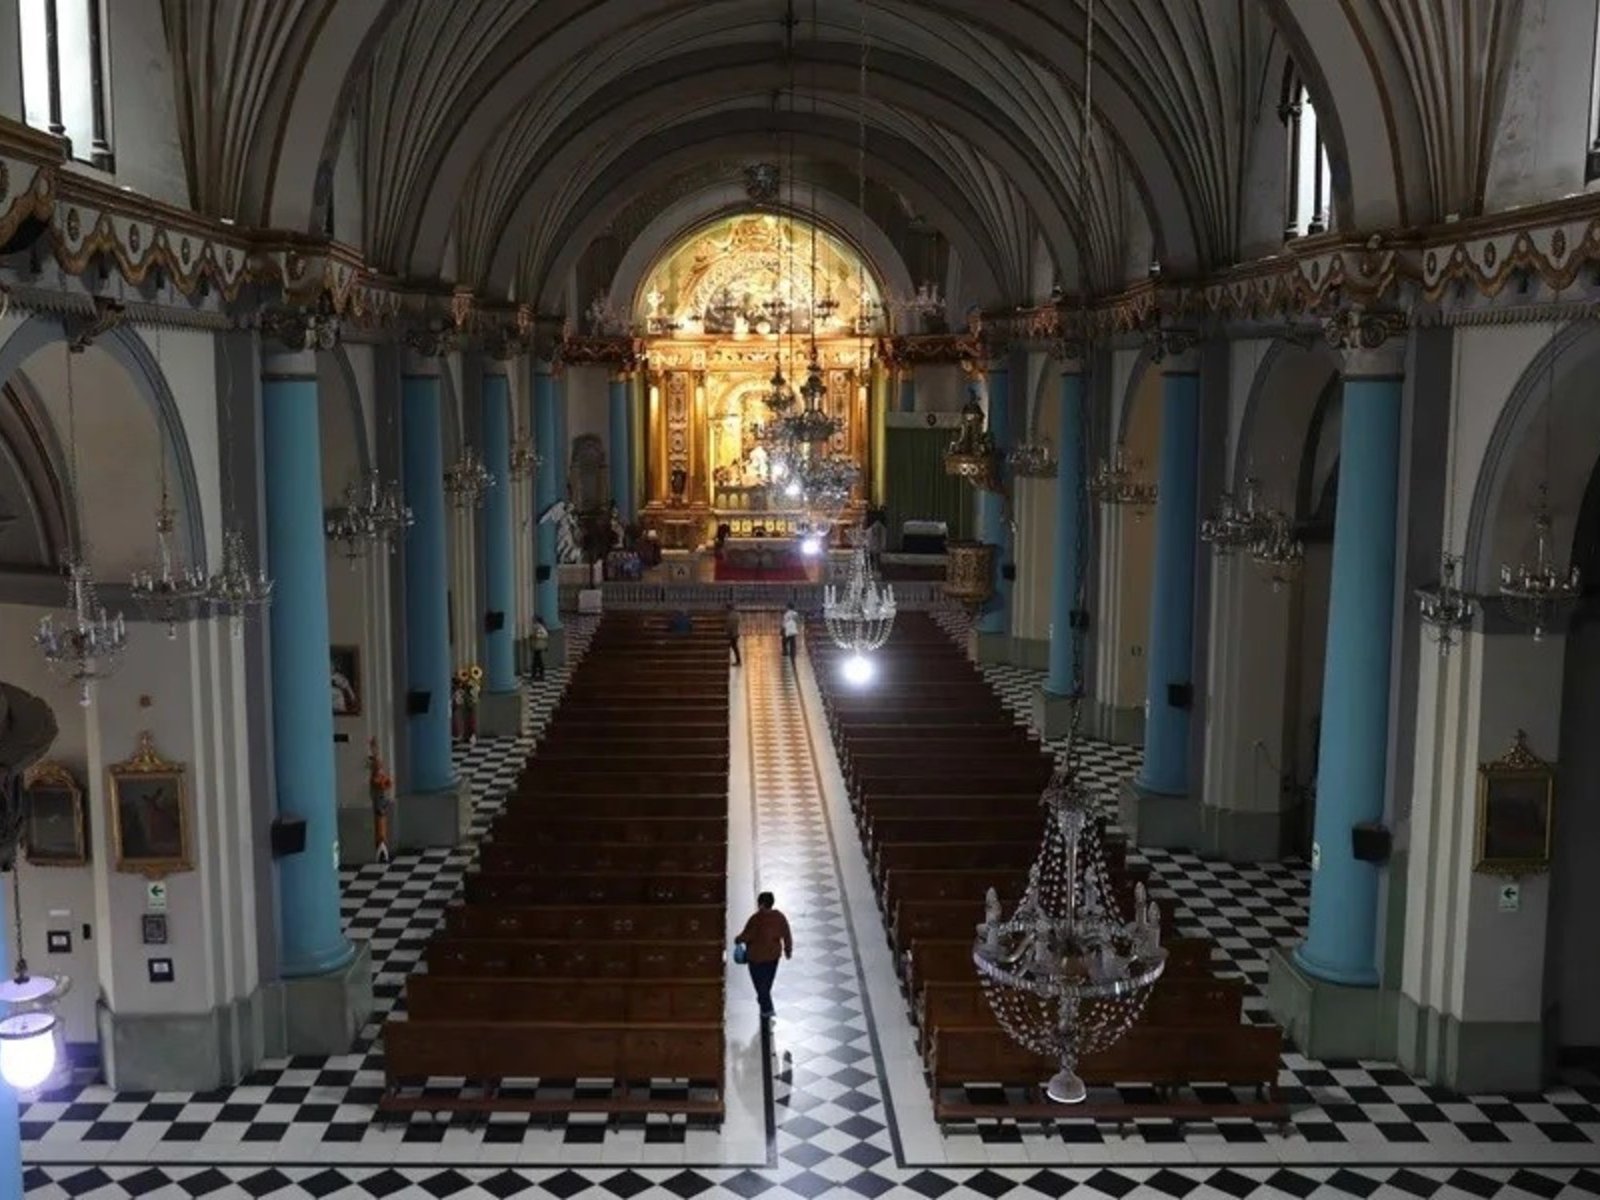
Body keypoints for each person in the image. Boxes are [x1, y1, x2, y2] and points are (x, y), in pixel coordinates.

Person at [735, 891, 792, 1020]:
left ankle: (767, 1008)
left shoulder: (756, 919)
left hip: (756, 957)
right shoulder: (779, 917)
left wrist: (738, 939)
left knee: (759, 984)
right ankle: (764, 1003)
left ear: (760, 904)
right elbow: (787, 934)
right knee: (767, 983)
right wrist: (788, 950)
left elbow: (747, 935)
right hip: (773, 956)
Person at [531, 617, 549, 681]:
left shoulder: (537, 627)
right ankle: (538, 674)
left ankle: (537, 674)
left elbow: (537, 637)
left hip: (538, 646)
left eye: (533, 620)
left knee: (537, 661)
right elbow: (545, 637)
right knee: (537, 661)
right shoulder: (542, 627)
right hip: (539, 646)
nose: (532, 622)